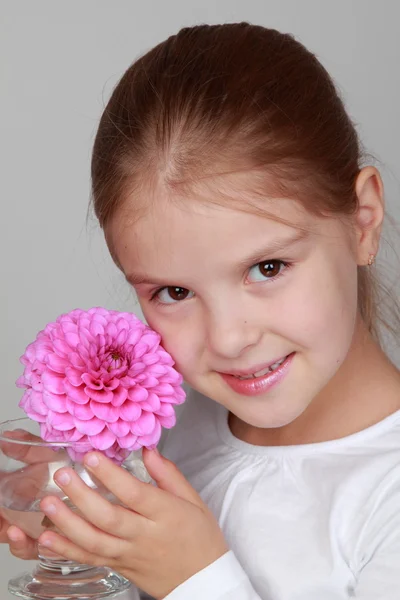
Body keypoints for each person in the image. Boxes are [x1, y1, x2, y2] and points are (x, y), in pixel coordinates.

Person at [2, 22, 400, 600]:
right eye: (174, 293)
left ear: (362, 220)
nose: (230, 338)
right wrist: (89, 535)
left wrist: (193, 580)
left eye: (268, 268)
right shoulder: (168, 437)